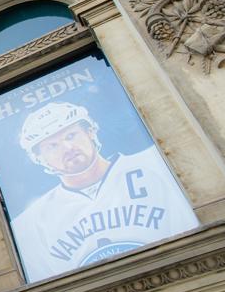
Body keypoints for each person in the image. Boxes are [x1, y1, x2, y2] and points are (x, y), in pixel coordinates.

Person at [11, 102, 199, 282]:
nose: (67, 148)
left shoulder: (157, 165)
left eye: (71, 135)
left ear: (90, 132)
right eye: (52, 146)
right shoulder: (30, 225)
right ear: (41, 159)